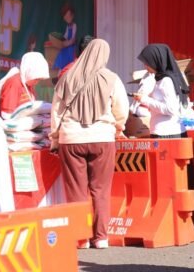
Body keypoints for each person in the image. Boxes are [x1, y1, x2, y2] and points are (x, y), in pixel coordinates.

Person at [49, 39, 128, 249]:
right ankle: (100, 237)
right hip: (102, 138)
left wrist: (55, 138)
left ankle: (80, 237)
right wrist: (117, 127)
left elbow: (56, 112)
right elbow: (121, 110)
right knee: (100, 190)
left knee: (76, 190)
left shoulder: (67, 77)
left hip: (71, 139)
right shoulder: (112, 79)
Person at [133, 44, 189, 138]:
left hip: (167, 133)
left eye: (148, 63)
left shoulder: (166, 80)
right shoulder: (159, 79)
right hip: (164, 131)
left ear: (156, 61)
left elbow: (171, 109)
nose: (145, 66)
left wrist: (145, 99)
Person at [0, 52, 50, 117]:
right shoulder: (14, 83)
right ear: (29, 72)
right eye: (36, 79)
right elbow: (6, 115)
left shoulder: (29, 84)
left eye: (39, 80)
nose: (37, 82)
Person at [53, 3, 78, 71]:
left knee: (68, 54)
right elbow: (66, 35)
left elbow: (73, 38)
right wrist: (62, 41)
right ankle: (61, 70)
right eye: (65, 17)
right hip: (67, 45)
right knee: (62, 53)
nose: (67, 18)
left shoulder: (74, 25)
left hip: (71, 46)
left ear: (72, 15)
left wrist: (68, 43)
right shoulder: (68, 26)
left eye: (69, 16)